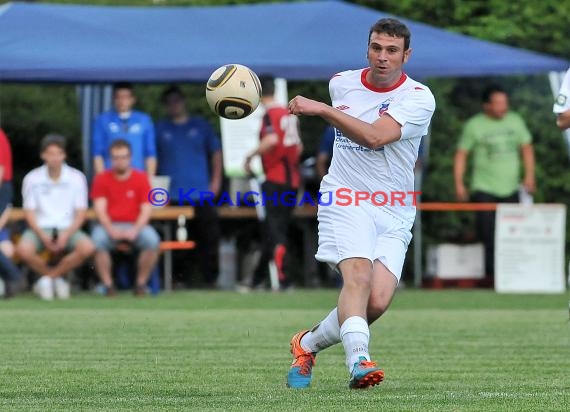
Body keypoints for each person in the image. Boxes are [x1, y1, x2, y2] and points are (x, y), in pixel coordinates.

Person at [285, 18, 435, 389]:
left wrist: (322, 110)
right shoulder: (343, 82)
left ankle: (306, 344)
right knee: (359, 279)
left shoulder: (418, 96)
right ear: (367, 48)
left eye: (391, 50)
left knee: (378, 302)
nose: (382, 57)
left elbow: (373, 137)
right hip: (345, 198)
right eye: (376, 48)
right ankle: (359, 362)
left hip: (395, 207)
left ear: (406, 55)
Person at [454, 84, 535, 279]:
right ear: (486, 105)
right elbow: (461, 154)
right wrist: (459, 183)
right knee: (488, 235)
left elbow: (526, 149)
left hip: (511, 188)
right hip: (484, 187)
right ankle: (491, 278)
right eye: (498, 103)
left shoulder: (515, 121)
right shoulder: (474, 125)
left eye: (504, 103)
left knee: (512, 234)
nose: (503, 107)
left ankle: (513, 275)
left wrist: (530, 176)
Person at [156, 85, 222, 288]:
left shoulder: (200, 126)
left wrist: (216, 181)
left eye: (177, 100)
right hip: (172, 194)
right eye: (170, 102)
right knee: (176, 240)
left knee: (208, 237)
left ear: (183, 101)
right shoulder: (160, 129)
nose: (174, 105)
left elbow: (216, 154)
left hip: (201, 192)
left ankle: (209, 280)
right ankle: (177, 280)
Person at [17, 134, 95, 300]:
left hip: (68, 227)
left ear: (64, 155)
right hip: (41, 227)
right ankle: (56, 278)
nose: (54, 158)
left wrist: (66, 235)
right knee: (23, 250)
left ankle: (48, 279)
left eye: (58, 153)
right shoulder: (32, 178)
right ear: (43, 155)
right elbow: (29, 212)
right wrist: (43, 237)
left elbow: (80, 212)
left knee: (87, 247)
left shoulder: (76, 177)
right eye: (50, 153)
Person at [244, 74, 303, 290]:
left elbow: (271, 140)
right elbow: (299, 147)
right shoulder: (290, 115)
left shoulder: (270, 115)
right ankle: (257, 280)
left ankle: (284, 279)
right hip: (293, 181)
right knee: (275, 229)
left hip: (275, 179)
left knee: (275, 231)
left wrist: (250, 156)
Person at [91, 139, 160, 297]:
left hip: (135, 225)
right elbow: (100, 210)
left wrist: (135, 230)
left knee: (152, 240)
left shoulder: (141, 178)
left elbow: (146, 210)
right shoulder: (101, 179)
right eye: (116, 157)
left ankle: (140, 284)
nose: (120, 161)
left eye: (123, 157)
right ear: (110, 159)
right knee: (97, 241)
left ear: (130, 158)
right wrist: (111, 230)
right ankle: (108, 286)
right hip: (109, 225)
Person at [92, 82, 157, 176]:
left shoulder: (144, 120)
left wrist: (150, 181)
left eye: (126, 97)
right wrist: (102, 180)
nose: (122, 101)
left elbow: (150, 153)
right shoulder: (102, 120)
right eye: (119, 97)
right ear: (113, 99)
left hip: (137, 177)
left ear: (133, 99)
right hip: (112, 176)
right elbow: (97, 154)